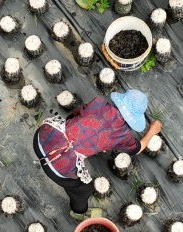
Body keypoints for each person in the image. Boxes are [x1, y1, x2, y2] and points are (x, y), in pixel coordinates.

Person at [34, 90, 163, 221]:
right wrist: (152, 131)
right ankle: (78, 212)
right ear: (134, 119)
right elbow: (137, 148)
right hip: (55, 166)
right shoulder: (123, 135)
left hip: (42, 137)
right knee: (84, 189)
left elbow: (73, 116)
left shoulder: (98, 103)